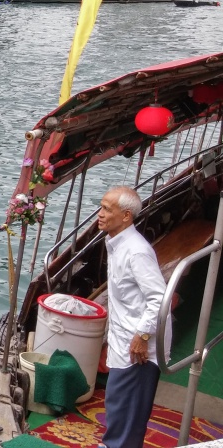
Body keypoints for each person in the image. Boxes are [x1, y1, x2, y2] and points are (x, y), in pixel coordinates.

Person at [97, 185, 171, 448]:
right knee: (118, 405)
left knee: (126, 411)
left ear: (126, 216)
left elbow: (160, 298)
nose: (100, 214)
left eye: (107, 209)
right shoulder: (116, 242)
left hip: (137, 345)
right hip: (123, 336)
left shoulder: (136, 250)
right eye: (102, 207)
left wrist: (141, 335)